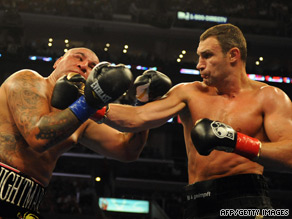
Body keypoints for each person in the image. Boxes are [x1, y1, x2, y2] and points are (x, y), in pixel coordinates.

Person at [102, 24, 292, 218]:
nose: (199, 64)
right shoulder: (189, 93)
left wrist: (236, 142)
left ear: (233, 55)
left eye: (207, 55)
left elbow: (290, 155)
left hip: (248, 201)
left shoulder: (269, 97)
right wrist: (89, 102)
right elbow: (136, 118)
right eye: (199, 56)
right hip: (197, 202)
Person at [0, 47, 172, 218]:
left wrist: (143, 101)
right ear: (58, 61)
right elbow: (37, 135)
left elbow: (127, 150)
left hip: (27, 203)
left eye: (92, 66)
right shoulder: (27, 80)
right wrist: (91, 103)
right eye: (78, 58)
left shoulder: (81, 117)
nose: (83, 66)